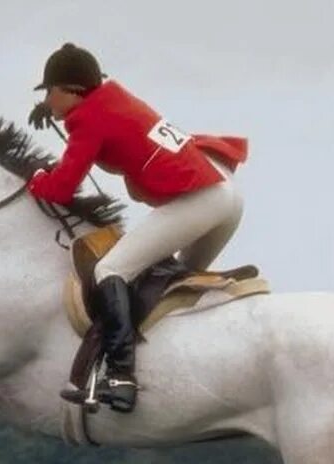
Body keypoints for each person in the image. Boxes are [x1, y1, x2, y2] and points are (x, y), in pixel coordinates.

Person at [26, 43, 248, 414]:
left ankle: (122, 376)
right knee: (170, 283)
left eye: (49, 92)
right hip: (225, 196)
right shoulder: (109, 94)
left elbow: (61, 188)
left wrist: (34, 179)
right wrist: (57, 113)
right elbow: (92, 110)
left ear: (71, 91)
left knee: (110, 269)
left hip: (199, 201)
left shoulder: (87, 119)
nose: (47, 101)